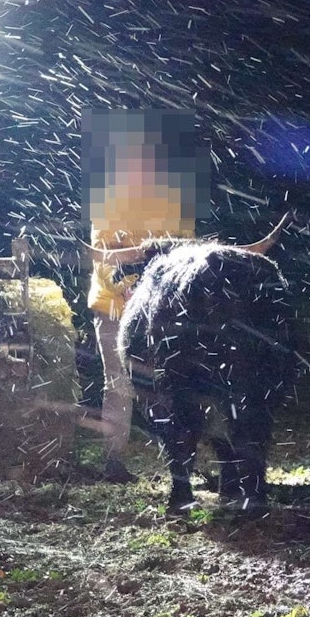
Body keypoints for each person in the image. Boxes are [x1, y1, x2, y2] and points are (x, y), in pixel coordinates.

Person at [85, 110, 203, 482]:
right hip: (116, 306)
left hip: (164, 309)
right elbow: (102, 255)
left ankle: (189, 464)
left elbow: (185, 252)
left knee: (179, 383)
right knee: (119, 385)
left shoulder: (178, 200)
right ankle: (114, 462)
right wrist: (139, 266)